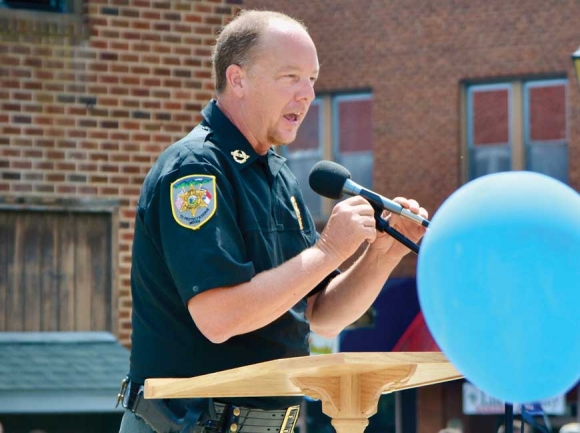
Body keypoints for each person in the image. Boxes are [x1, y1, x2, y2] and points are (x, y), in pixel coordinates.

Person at [118, 9, 428, 433]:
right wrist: (328, 249)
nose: (307, 95)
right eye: (291, 78)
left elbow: (322, 315)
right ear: (238, 79)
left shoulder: (279, 175)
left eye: (313, 80)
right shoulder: (195, 172)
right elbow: (219, 318)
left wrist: (382, 255)